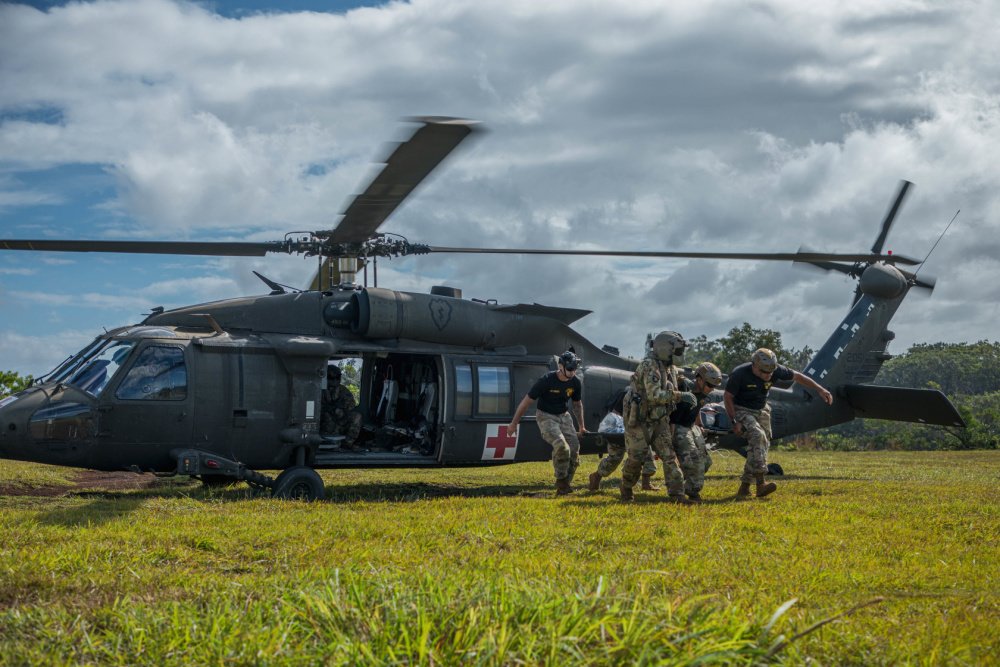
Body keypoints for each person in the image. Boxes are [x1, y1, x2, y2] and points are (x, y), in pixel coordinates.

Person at [724, 348, 833, 499]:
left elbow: (798, 376)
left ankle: (744, 488)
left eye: (771, 372)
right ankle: (761, 484)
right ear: (754, 366)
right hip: (742, 409)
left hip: (761, 409)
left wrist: (820, 389)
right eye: (764, 371)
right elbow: (728, 397)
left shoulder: (774, 370)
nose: (768, 375)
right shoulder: (739, 374)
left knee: (761, 446)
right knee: (758, 436)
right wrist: (734, 421)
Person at [620, 331, 697, 503]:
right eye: (677, 351)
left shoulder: (670, 368)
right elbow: (655, 395)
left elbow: (674, 385)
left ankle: (677, 495)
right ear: (665, 349)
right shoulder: (649, 366)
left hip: (659, 419)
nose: (680, 355)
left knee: (669, 456)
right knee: (636, 459)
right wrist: (680, 396)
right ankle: (626, 487)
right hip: (639, 420)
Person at [508, 350, 587, 495]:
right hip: (546, 416)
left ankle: (565, 485)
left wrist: (581, 426)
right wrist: (514, 424)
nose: (572, 372)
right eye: (570, 369)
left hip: (564, 416)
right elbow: (525, 403)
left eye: (575, 369)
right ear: (561, 367)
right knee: (562, 446)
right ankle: (561, 481)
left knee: (574, 448)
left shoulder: (575, 382)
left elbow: (577, 404)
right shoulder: (546, 380)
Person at [670, 362, 723, 502]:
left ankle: (687, 485)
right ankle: (691, 492)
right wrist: (671, 441)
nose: (712, 389)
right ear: (699, 379)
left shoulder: (702, 393)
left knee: (706, 462)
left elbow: (697, 409)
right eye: (710, 385)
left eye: (714, 387)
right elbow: (673, 419)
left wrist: (699, 426)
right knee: (694, 461)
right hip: (677, 427)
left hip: (691, 426)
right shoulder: (685, 389)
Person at [588, 390, 659, 492]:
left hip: (639, 433)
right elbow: (616, 414)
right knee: (614, 459)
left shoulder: (653, 394)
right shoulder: (628, 393)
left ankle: (646, 484)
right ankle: (596, 476)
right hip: (621, 432)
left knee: (648, 457)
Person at [321, 364, 362, 446]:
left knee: (357, 416)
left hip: (340, 422)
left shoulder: (343, 391)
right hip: (324, 424)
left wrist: (338, 409)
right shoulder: (319, 390)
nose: (335, 380)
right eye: (331, 377)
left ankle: (346, 444)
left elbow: (351, 406)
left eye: (338, 377)